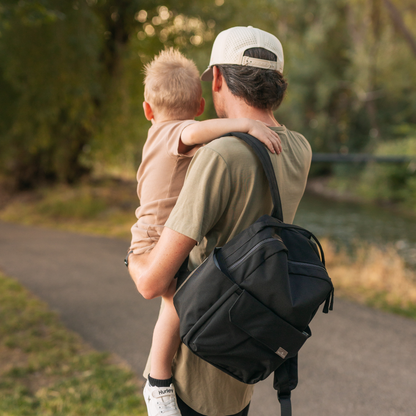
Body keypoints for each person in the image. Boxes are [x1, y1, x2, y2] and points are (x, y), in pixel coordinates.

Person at [127, 26, 312, 416]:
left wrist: (137, 252)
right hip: (243, 355)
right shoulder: (299, 149)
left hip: (190, 368)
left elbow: (152, 282)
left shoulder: (222, 154)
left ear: (218, 80)